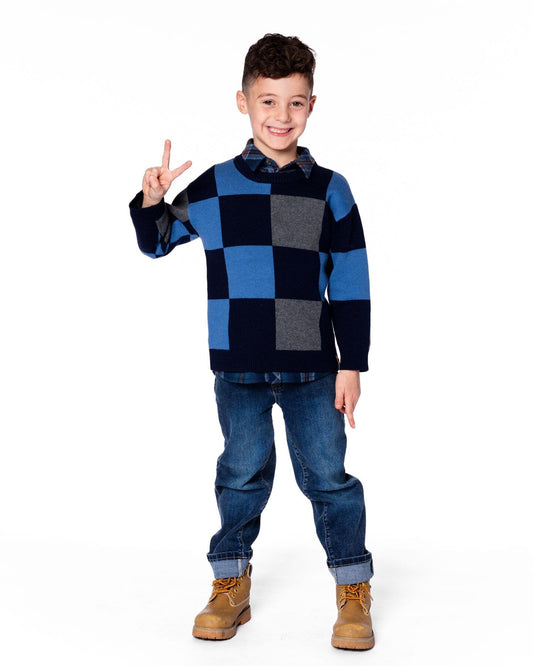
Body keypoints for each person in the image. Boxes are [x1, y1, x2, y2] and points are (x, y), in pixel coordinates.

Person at [129, 33, 374, 650]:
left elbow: (351, 282)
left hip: (314, 369)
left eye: (295, 102)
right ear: (243, 102)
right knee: (240, 474)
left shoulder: (330, 189)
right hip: (238, 366)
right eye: (268, 101)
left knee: (329, 478)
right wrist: (151, 201)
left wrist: (353, 364)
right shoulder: (215, 187)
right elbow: (157, 242)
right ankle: (230, 583)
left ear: (311, 105)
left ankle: (352, 588)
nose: (281, 116)